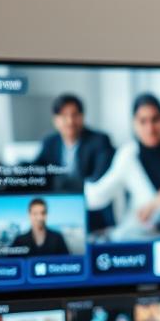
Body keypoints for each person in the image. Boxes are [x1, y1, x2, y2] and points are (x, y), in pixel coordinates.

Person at [83, 94, 160, 241]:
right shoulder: (127, 155)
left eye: (155, 120)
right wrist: (155, 203)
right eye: (143, 121)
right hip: (143, 232)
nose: (150, 128)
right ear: (134, 123)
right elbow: (97, 196)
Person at [32, 94, 116, 229]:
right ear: (55, 120)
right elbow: (37, 171)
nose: (70, 121)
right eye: (64, 116)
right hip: (60, 212)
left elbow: (97, 180)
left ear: (82, 117)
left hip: (94, 215)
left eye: (75, 114)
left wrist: (59, 183)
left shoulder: (100, 141)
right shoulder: (50, 143)